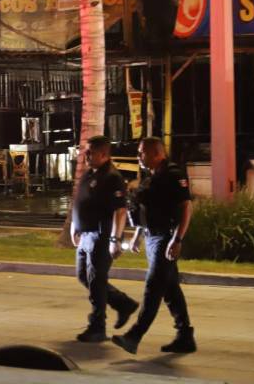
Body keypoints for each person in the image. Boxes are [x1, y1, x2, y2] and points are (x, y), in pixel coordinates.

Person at [112, 137, 196, 354]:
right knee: (170, 289)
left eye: (142, 152)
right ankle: (185, 336)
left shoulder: (173, 175)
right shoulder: (153, 178)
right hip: (152, 238)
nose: (139, 156)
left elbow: (186, 207)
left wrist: (177, 239)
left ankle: (134, 336)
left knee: (153, 287)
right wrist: (138, 235)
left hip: (165, 239)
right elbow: (147, 210)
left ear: (157, 153)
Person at [71, 135, 139, 343]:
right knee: (84, 276)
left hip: (101, 236)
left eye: (90, 152)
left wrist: (115, 240)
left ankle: (97, 326)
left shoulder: (112, 177)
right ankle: (123, 303)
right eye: (85, 151)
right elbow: (80, 200)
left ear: (103, 154)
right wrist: (75, 226)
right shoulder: (89, 173)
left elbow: (120, 210)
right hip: (85, 235)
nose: (85, 155)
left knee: (96, 281)